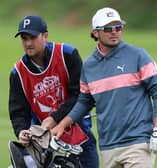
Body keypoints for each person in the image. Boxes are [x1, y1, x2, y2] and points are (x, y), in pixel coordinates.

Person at [50, 7, 157, 168]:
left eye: (118, 27)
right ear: (96, 32)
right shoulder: (89, 66)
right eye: (108, 28)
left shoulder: (138, 55)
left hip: (138, 143)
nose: (114, 32)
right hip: (108, 147)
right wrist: (62, 125)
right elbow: (85, 101)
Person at [9, 15, 99, 168]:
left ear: (45, 36)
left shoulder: (67, 54)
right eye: (24, 38)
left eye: (32, 37)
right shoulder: (18, 73)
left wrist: (55, 117)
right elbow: (18, 111)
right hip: (45, 143)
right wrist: (21, 131)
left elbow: (80, 94)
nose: (28, 43)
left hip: (80, 136)